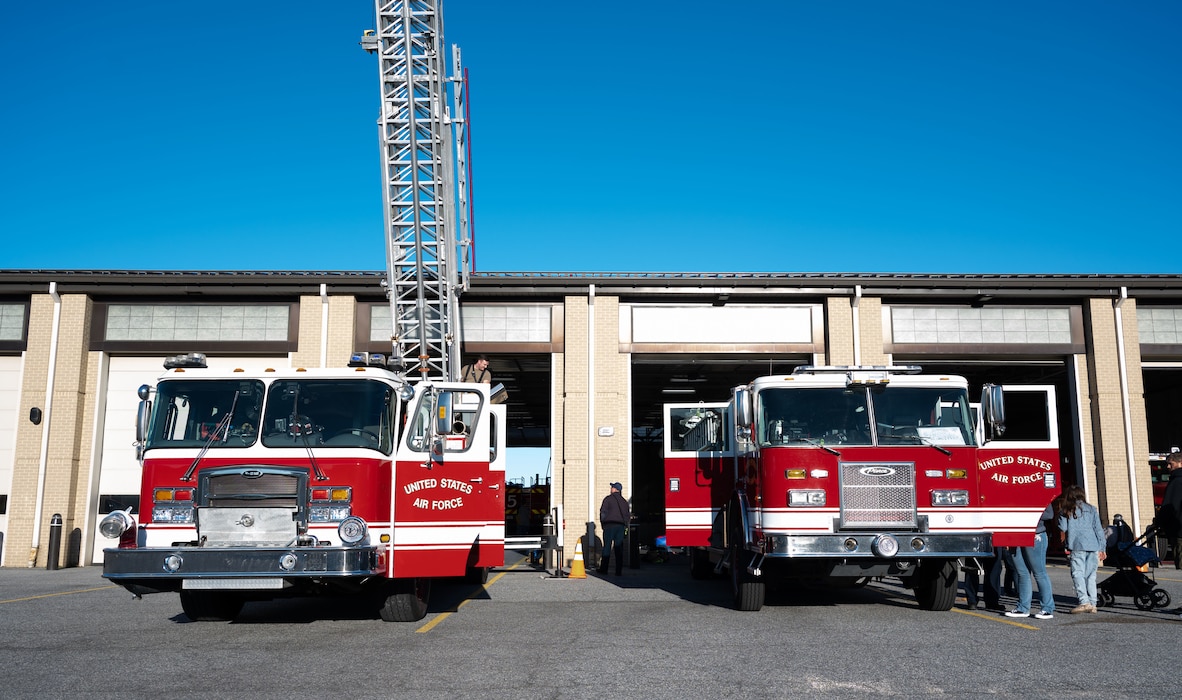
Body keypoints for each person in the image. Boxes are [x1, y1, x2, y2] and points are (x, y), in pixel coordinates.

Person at [1058, 485, 1107, 614]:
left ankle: (1084, 602)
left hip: (1077, 545)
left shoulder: (1066, 510)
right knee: (1091, 576)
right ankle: (1093, 603)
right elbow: (1098, 529)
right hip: (1093, 544)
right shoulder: (1091, 509)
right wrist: (1102, 547)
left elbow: (1063, 527)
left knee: (1077, 573)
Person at [1005, 503, 1056, 619]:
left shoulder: (1039, 492)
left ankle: (1047, 608)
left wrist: (1026, 512)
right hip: (1014, 534)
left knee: (1039, 573)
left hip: (1035, 533)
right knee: (1022, 573)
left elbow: (1049, 514)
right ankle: (1023, 607)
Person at [1150, 451, 1182, 570]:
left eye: (1170, 464)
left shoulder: (1176, 481)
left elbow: (1169, 505)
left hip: (1179, 531)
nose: (1168, 467)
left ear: (1180, 463)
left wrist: (1159, 522)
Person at [597, 482, 630, 576]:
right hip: (620, 526)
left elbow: (603, 513)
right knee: (618, 548)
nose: (610, 488)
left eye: (612, 487)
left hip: (609, 525)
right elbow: (627, 515)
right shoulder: (624, 502)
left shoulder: (608, 499)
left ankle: (604, 569)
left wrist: (603, 523)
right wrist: (625, 526)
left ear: (615, 489)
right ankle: (618, 571)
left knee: (607, 547)